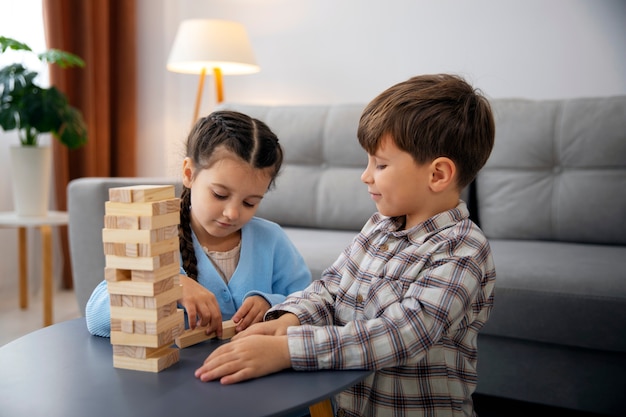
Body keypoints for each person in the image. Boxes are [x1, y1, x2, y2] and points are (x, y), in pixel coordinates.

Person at [194, 74, 497, 417]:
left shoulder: (462, 251)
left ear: (438, 175)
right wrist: (291, 317)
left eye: (380, 164)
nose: (365, 175)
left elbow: (402, 334)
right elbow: (330, 288)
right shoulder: (378, 228)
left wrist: (287, 351)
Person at [85, 110, 312, 338]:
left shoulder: (271, 239)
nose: (232, 213)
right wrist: (171, 285)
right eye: (220, 195)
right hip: (179, 371)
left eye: (249, 203)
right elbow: (97, 317)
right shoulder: (157, 236)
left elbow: (310, 302)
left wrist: (271, 304)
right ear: (188, 173)